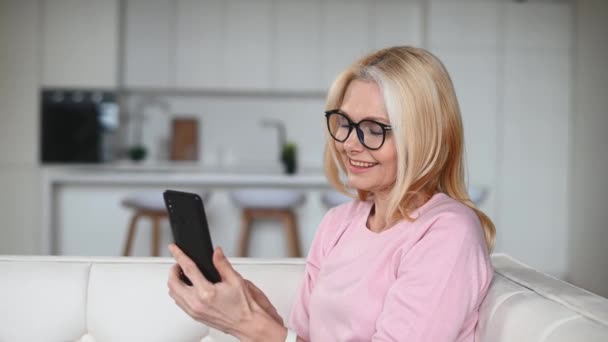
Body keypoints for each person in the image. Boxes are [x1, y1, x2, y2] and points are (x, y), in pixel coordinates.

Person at [167, 46, 496, 342]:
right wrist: (254, 316)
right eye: (344, 123)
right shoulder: (338, 223)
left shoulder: (447, 232)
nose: (349, 143)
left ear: (423, 138)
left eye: (373, 129)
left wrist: (251, 327)